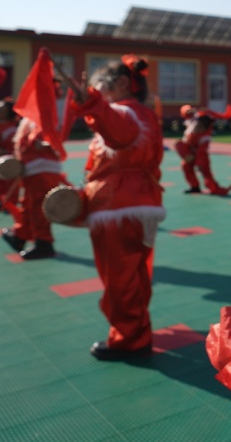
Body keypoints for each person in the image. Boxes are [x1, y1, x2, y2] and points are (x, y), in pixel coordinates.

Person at [66, 56, 166, 360]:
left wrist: (92, 104)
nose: (96, 92)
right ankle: (137, 330)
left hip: (116, 205)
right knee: (134, 275)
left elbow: (118, 132)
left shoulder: (122, 112)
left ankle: (129, 340)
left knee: (118, 278)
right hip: (141, 202)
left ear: (122, 84)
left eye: (99, 87)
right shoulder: (145, 114)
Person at [3, 103, 69, 260]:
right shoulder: (31, 117)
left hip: (42, 170)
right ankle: (21, 236)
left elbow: (44, 134)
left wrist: (38, 141)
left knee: (39, 208)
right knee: (28, 204)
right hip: (33, 169)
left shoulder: (42, 115)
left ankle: (44, 243)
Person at [176, 105, 231, 196]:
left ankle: (214, 188)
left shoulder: (205, 137)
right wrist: (188, 110)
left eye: (204, 124)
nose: (201, 125)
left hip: (199, 152)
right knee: (186, 165)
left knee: (204, 169)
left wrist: (199, 163)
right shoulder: (193, 121)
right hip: (189, 148)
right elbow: (184, 111)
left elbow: (202, 152)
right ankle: (195, 187)